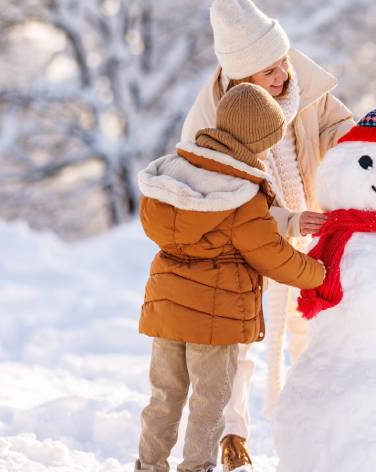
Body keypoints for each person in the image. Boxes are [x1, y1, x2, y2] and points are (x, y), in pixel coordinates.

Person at [179, 1, 355, 470]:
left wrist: (353, 139)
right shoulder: (210, 115)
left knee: (310, 331)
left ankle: (312, 427)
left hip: (306, 230)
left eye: (282, 62)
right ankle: (233, 434)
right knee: (242, 344)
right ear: (239, 78)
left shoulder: (301, 84)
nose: (281, 76)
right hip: (245, 243)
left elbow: (338, 123)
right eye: (267, 72)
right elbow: (203, 181)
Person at [134, 83, 325, 472]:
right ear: (255, 140)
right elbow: (271, 255)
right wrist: (318, 273)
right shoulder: (243, 195)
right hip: (214, 318)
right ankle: (197, 467)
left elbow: (219, 221)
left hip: (166, 309)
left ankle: (149, 465)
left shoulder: (176, 173)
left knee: (164, 396)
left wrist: (286, 220)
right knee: (208, 401)